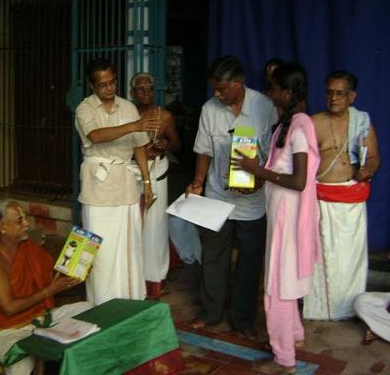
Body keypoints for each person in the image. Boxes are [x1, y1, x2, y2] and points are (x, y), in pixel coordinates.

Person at [232, 63, 321, 374]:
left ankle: (284, 360)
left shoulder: (301, 126)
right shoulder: (288, 124)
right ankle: (293, 336)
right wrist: (255, 176)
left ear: (287, 92)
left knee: (278, 288)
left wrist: (258, 171)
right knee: (284, 281)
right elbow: (279, 174)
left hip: (290, 219)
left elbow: (298, 181)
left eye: (273, 88)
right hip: (281, 217)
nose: (269, 94)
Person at [186, 55, 277, 339]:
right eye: (215, 88)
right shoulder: (209, 109)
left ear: (239, 84)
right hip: (217, 195)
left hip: (253, 203)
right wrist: (199, 181)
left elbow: (276, 150)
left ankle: (243, 319)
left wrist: (262, 178)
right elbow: (204, 150)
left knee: (249, 262)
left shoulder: (265, 107)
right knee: (213, 258)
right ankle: (211, 313)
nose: (217, 94)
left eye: (223, 88)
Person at [75, 58, 160, 305]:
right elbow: (96, 136)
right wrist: (134, 125)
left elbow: (140, 148)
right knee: (100, 250)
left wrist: (147, 182)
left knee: (128, 247)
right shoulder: (85, 108)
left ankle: (129, 299)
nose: (110, 88)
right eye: (103, 85)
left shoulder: (128, 107)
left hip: (125, 184)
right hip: (98, 187)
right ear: (92, 86)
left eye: (113, 82)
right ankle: (102, 303)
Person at [303, 71, 380, 320]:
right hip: (319, 199)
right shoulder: (313, 122)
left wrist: (368, 169)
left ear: (351, 96)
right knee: (319, 258)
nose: (333, 98)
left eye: (339, 93)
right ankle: (319, 310)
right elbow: (300, 161)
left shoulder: (362, 122)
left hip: (350, 199)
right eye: (329, 92)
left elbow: (375, 157)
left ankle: (347, 309)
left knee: (349, 258)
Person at [0, 200, 91, 375]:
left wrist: (69, 279)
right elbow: (9, 308)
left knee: (88, 309)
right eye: (20, 221)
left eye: (25, 218)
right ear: (3, 227)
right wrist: (51, 290)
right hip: (7, 331)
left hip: (40, 319)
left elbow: (44, 281)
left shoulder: (27, 246)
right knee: (20, 362)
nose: (27, 224)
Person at [129, 72, 181, 298]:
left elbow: (178, 145)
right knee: (133, 225)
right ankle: (134, 275)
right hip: (131, 173)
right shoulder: (126, 115)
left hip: (157, 171)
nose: (146, 93)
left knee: (155, 226)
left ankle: (156, 278)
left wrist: (166, 144)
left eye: (150, 88)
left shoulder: (165, 116)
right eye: (141, 89)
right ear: (133, 93)